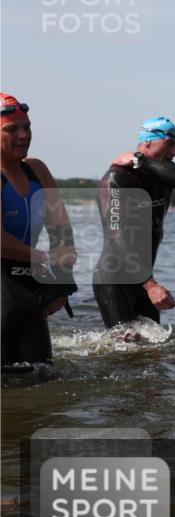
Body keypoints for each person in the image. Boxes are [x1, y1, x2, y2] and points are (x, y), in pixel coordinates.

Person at [1, 93, 78, 371]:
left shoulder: (37, 170)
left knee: (43, 373)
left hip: (25, 285)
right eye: (12, 129)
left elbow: (61, 230)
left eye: (27, 127)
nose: (24, 135)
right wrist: (45, 258)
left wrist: (61, 283)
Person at [92, 116, 175, 329]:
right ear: (148, 141)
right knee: (124, 348)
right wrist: (151, 285)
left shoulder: (162, 174)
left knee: (153, 350)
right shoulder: (118, 178)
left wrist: (141, 159)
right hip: (115, 279)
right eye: (170, 144)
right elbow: (116, 238)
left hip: (143, 279)